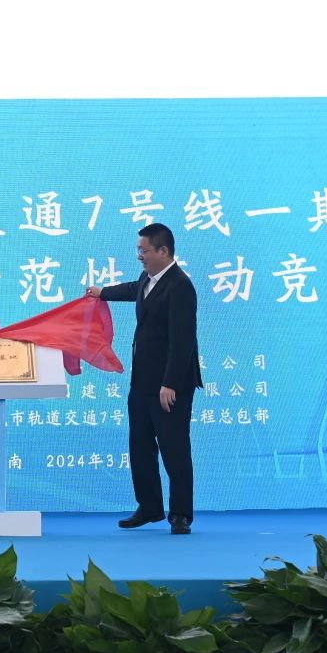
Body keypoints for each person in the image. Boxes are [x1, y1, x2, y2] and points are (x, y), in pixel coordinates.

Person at [86, 223, 202, 534]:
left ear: (163, 251)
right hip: (142, 380)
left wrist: (170, 383)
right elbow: (131, 290)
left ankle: (181, 514)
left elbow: (183, 341)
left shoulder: (180, 286)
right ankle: (149, 507)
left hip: (169, 385)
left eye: (144, 250)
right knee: (140, 446)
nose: (140, 256)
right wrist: (102, 292)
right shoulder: (147, 279)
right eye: (138, 250)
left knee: (174, 448)